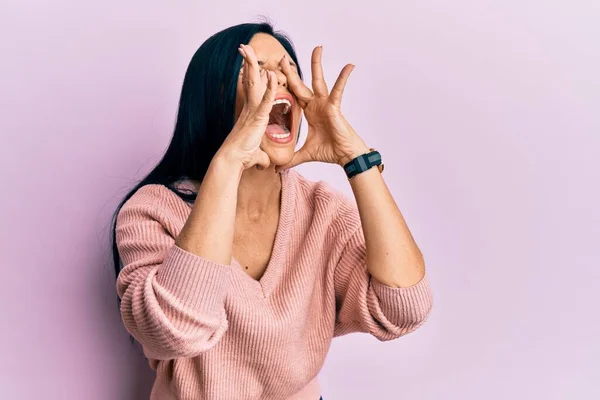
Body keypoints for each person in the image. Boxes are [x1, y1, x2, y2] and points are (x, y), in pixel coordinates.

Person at [111, 21, 433, 400]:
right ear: (213, 99)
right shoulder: (153, 210)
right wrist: (229, 161)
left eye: (288, 71)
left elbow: (405, 308)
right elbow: (174, 333)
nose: (280, 82)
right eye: (258, 71)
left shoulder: (322, 212)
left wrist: (355, 157)